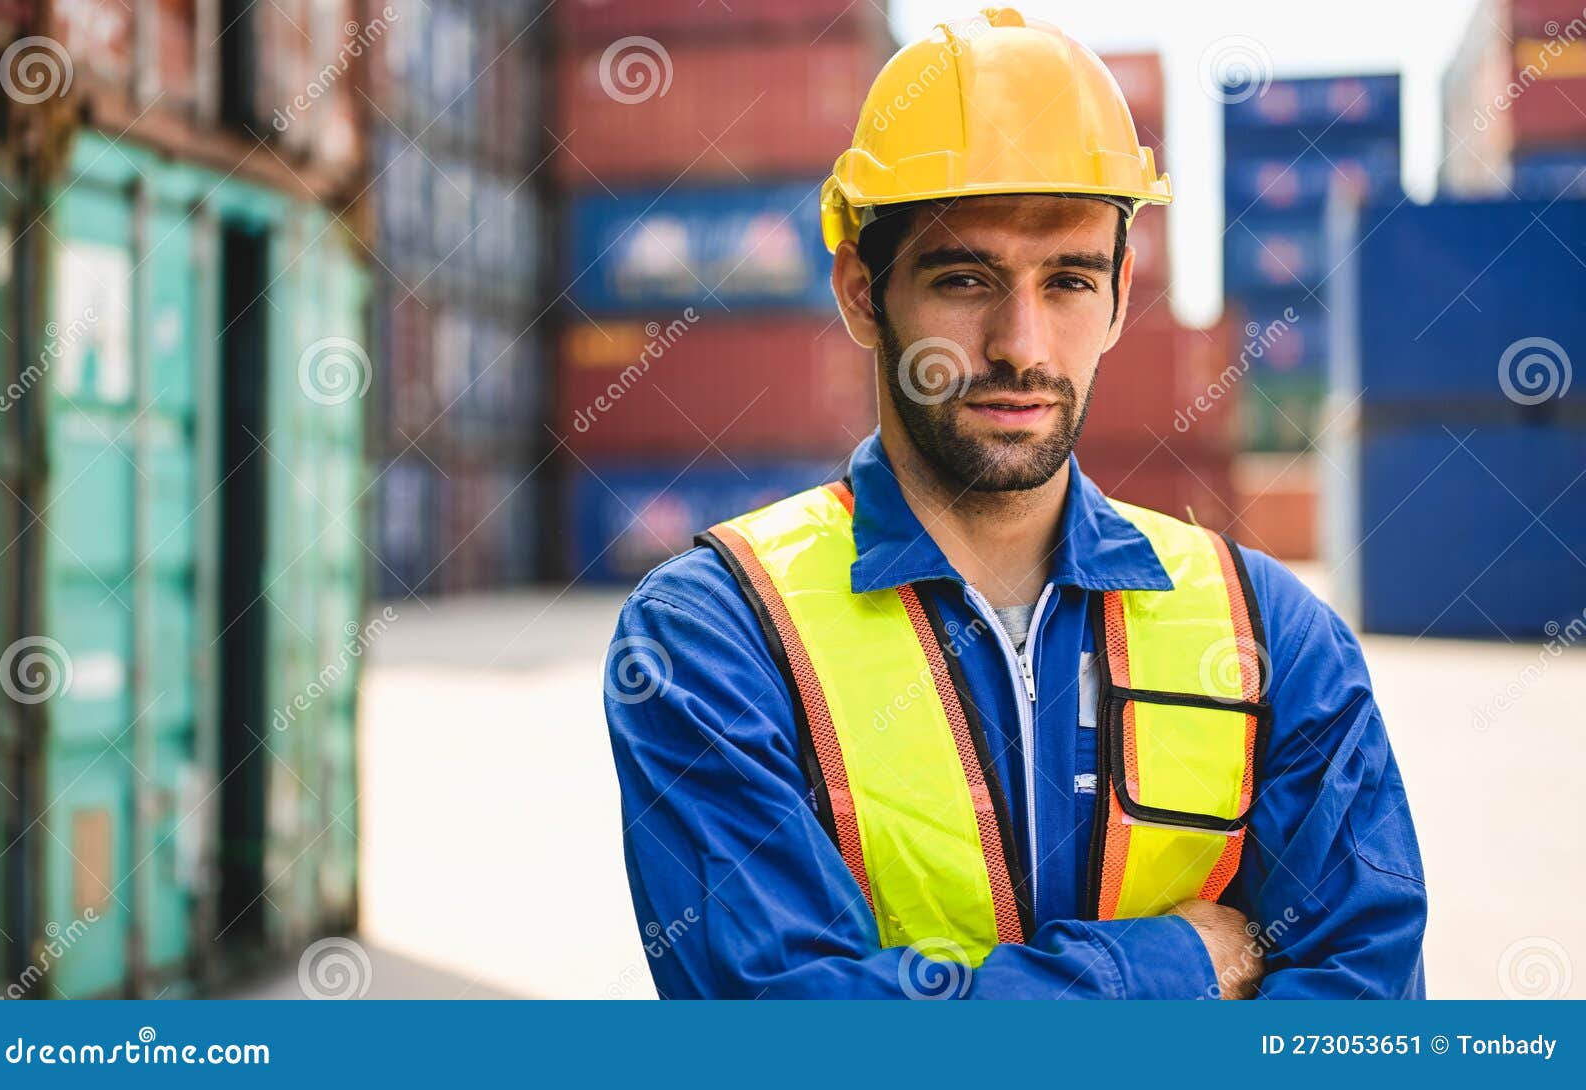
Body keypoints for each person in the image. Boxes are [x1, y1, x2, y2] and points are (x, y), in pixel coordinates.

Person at [603, 8, 1426, 999]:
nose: (1021, 344)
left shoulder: (1270, 632)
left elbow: (1362, 1024)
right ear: (862, 294)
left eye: (1069, 280)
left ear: (1122, 295)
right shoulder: (715, 636)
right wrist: (1168, 966)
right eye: (964, 277)